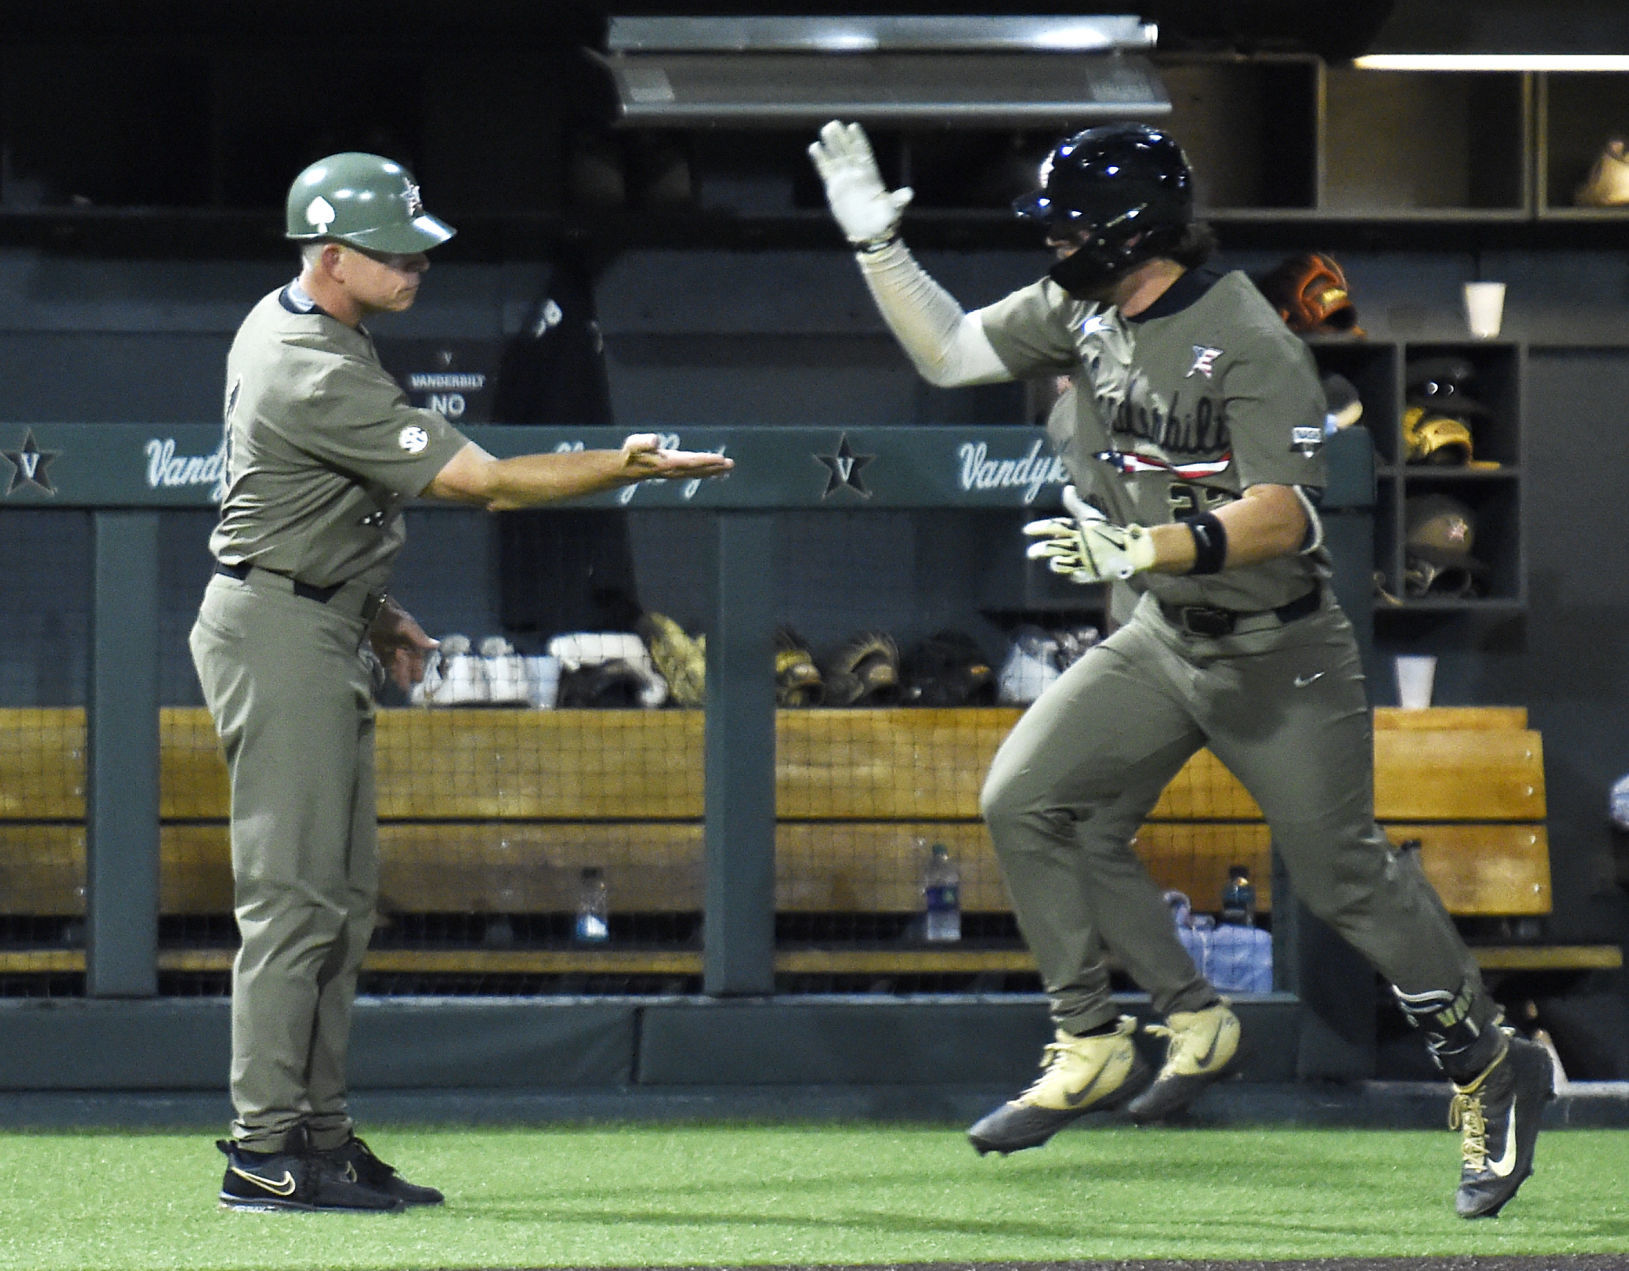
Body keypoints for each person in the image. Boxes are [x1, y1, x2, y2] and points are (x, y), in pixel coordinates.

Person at [809, 119, 1551, 1219]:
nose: (1051, 243)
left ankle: (1492, 1063)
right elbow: (953, 350)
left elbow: (1286, 511)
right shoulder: (1083, 308)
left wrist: (1148, 545)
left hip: (1278, 651)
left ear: (1128, 234)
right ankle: (1096, 1034)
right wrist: (878, 249)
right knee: (1027, 799)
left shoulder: (1246, 334)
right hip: (1165, 634)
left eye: (1068, 226)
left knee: (1343, 873)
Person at [189, 151, 732, 1214]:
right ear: (333, 255)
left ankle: (323, 1136)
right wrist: (622, 463)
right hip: (276, 632)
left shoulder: (308, 321)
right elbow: (483, 483)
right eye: (395, 253)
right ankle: (263, 1149)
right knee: (293, 905)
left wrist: (372, 607)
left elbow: (293, 497)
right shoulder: (310, 358)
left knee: (340, 907)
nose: (418, 265)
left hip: (314, 615)